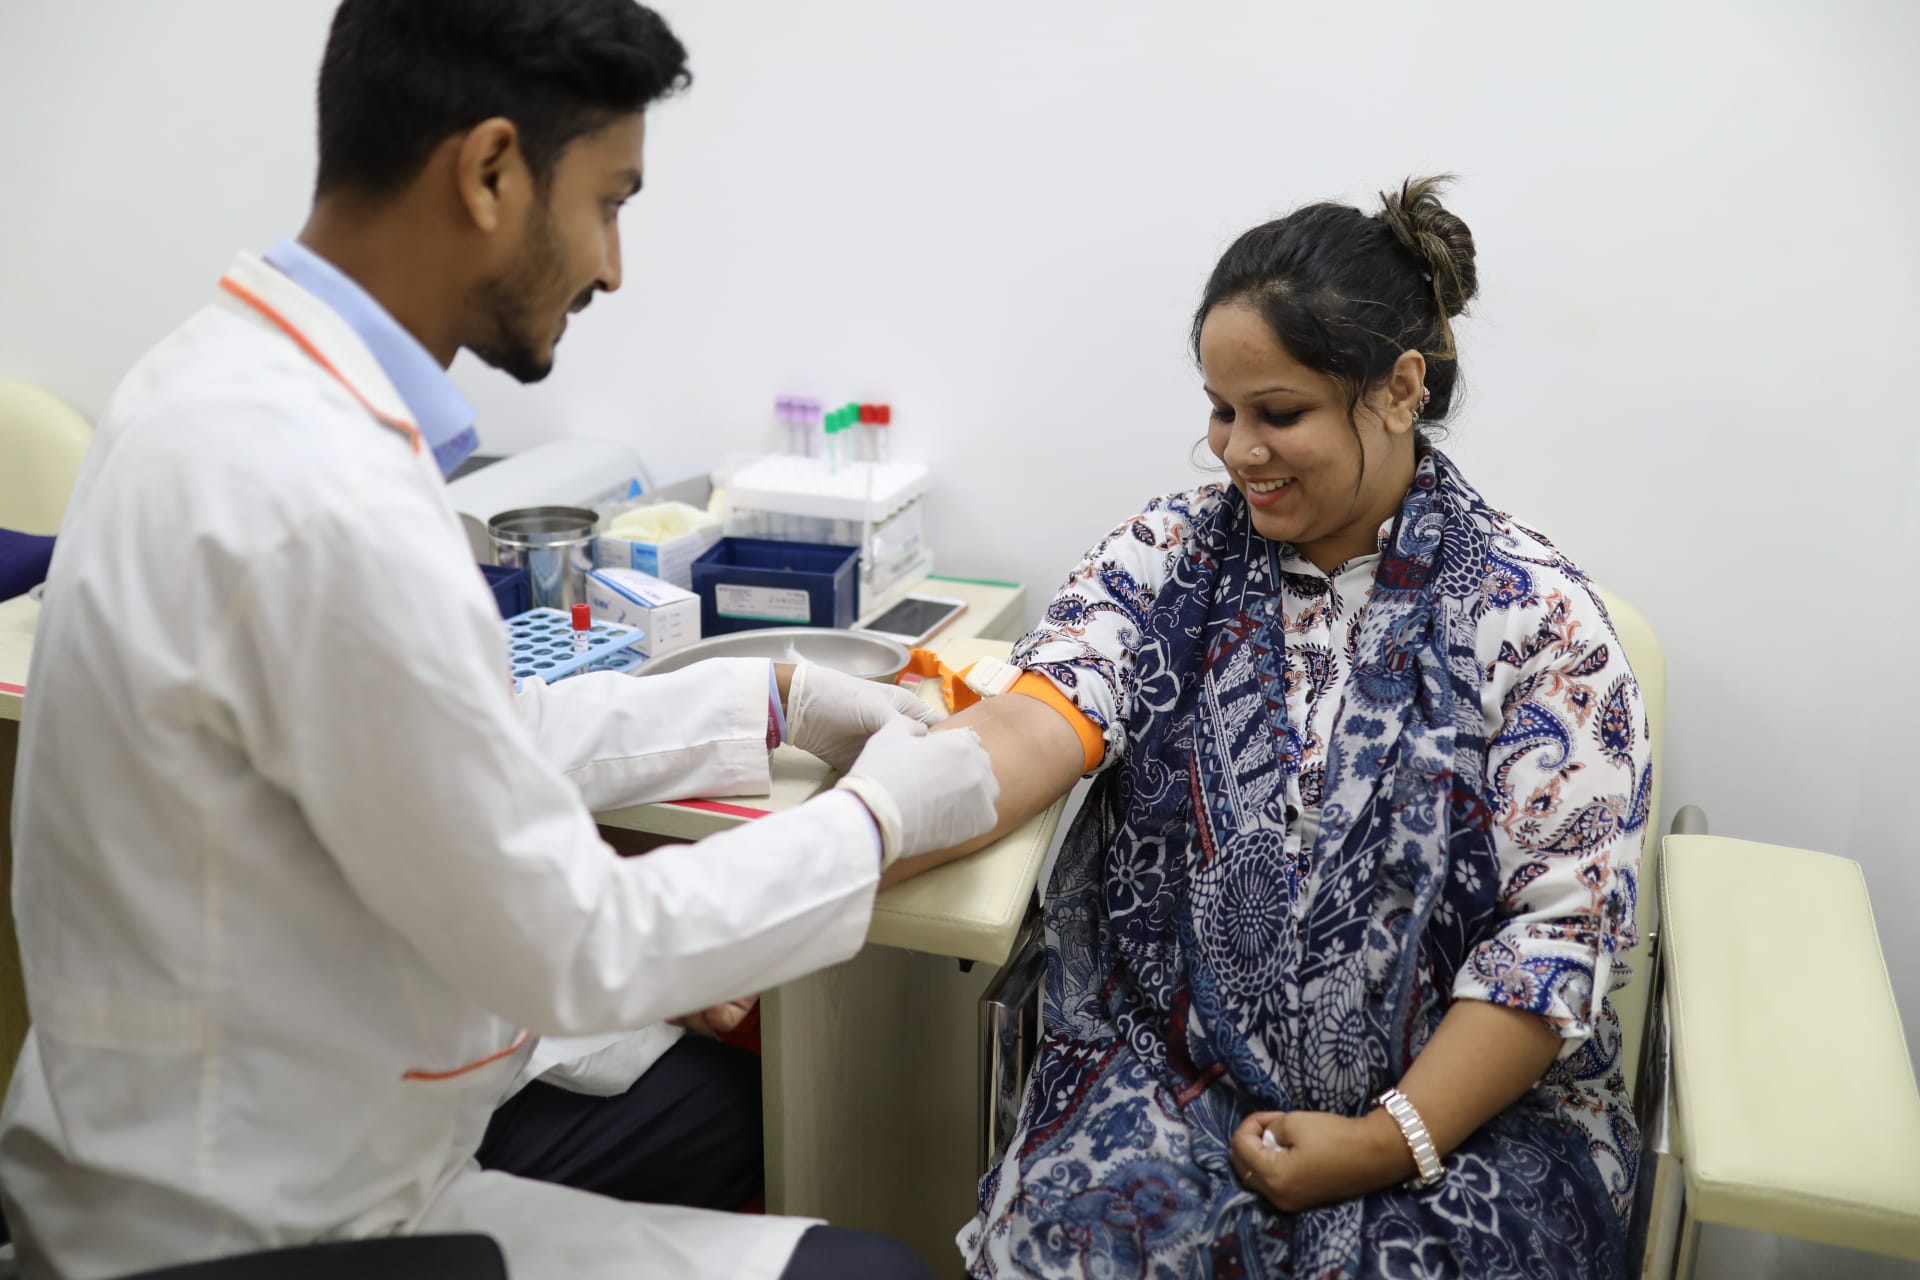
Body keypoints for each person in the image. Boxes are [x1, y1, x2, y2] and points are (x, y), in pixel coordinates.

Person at [0, 3, 1001, 1278]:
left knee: (703, 1125)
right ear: (488, 172)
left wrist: (772, 699)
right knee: (876, 1271)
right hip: (255, 1228)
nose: (614, 265)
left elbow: (457, 736)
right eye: (609, 201)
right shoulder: (317, 489)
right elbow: (580, 946)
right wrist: (878, 822)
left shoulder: (219, 380)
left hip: (214, 1130)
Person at [913, 178, 1651, 1278]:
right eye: (1221, 409)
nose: (1236, 450)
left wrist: (1385, 1138)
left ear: (1401, 389)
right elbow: (1038, 722)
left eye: (1280, 412)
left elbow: (1554, 939)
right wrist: (855, 821)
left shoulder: (1537, 622)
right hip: (1166, 1078)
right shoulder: (1169, 559)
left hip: (1472, 1123)